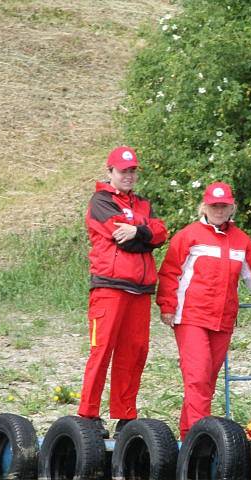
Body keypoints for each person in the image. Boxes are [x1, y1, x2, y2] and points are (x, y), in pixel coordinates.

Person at [156, 181, 251, 439]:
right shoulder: (188, 235)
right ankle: (201, 439)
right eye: (214, 206)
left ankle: (187, 436)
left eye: (224, 206)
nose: (219, 210)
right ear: (204, 206)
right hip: (191, 317)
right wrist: (167, 306)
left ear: (231, 207)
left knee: (206, 383)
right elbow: (170, 273)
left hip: (223, 321)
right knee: (198, 378)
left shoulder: (241, 240)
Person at [79, 145, 168, 437]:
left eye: (132, 171)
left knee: (134, 353)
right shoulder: (100, 200)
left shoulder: (142, 203)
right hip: (109, 287)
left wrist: (140, 231)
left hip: (140, 290)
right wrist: (144, 233)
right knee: (102, 349)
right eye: (123, 171)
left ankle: (125, 415)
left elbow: (160, 233)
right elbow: (123, 238)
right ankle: (88, 413)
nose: (128, 176)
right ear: (110, 172)